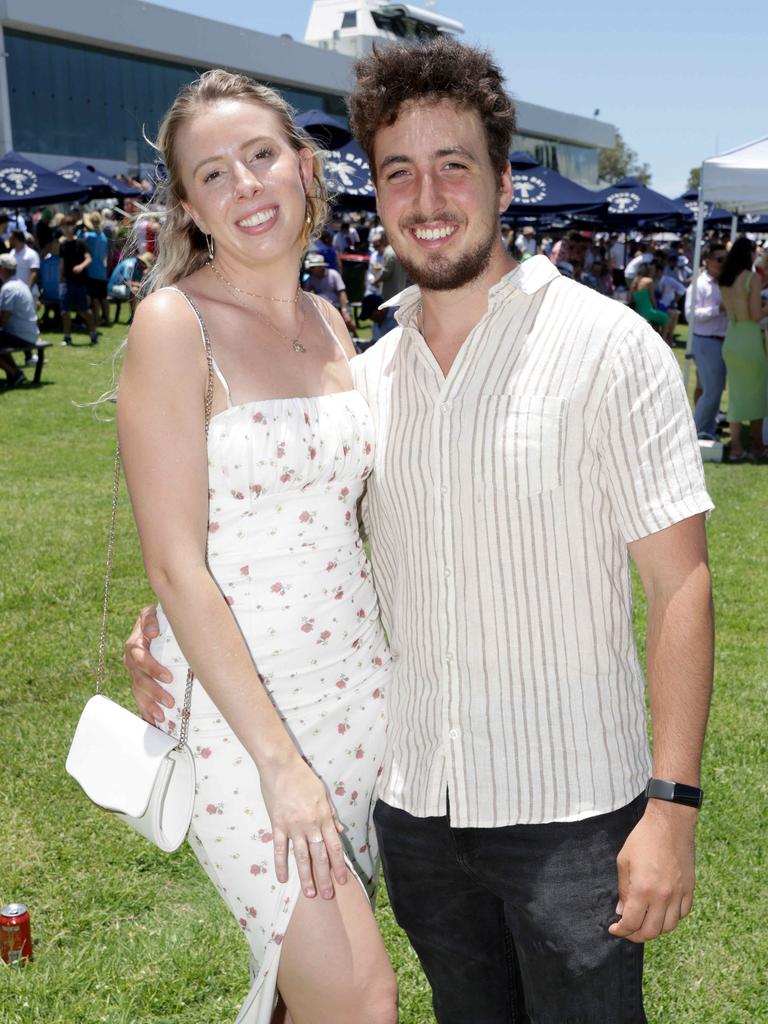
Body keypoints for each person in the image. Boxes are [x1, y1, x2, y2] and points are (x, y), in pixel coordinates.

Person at [126, 39, 714, 1024]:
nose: (428, 195)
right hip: (386, 787)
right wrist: (169, 612)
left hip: (537, 791)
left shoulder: (592, 345)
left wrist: (673, 804)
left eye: (455, 166)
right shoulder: (354, 361)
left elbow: (682, 584)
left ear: (503, 181)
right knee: (364, 997)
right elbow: (227, 528)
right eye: (401, 170)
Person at [116, 69, 395, 1024]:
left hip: (362, 699)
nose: (246, 186)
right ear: (189, 204)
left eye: (261, 156)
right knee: (360, 999)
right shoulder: (172, 324)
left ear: (304, 167)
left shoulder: (329, 318)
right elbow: (175, 563)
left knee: (300, 993)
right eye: (214, 174)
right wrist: (281, 766)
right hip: (248, 729)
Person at [718, 235, 768, 460]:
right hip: (748, 338)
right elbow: (756, 315)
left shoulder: (725, 278)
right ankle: (757, 446)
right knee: (757, 393)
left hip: (732, 337)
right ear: (747, 254)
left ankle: (736, 447)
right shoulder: (751, 278)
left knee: (736, 395)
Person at [685, 242, 728, 439]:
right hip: (705, 341)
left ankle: (706, 429)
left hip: (720, 340)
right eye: (720, 259)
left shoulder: (725, 282)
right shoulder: (699, 285)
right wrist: (717, 309)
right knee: (712, 390)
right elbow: (690, 314)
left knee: (714, 389)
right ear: (708, 261)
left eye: (725, 259)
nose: (723, 263)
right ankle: (697, 431)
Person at [0, 252, 40, 385]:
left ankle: (14, 373)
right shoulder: (21, 284)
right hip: (31, 333)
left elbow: (4, 317)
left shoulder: (8, 288)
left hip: (21, 335)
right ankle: (15, 373)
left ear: (3, 269)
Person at [58, 215, 99, 346]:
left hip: (80, 282)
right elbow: (62, 263)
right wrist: (60, 280)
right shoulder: (63, 244)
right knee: (65, 311)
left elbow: (88, 259)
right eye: (63, 227)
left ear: (73, 227)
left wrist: (81, 266)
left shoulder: (80, 243)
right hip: (66, 281)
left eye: (67, 226)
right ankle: (67, 337)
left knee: (83, 310)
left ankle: (93, 333)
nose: (65, 229)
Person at [301, 251, 354, 332]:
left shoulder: (334, 274)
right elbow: (305, 293)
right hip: (322, 308)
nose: (311, 270)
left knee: (348, 321)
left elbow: (342, 293)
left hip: (337, 305)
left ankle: (356, 339)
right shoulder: (311, 279)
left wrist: (344, 310)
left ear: (320, 266)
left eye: (313, 267)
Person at [107, 251, 155, 321]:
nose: (146, 267)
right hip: (114, 287)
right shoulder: (130, 264)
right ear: (143, 262)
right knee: (134, 290)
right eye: (146, 265)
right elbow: (126, 281)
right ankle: (133, 317)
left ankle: (145, 315)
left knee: (144, 290)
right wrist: (141, 285)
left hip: (123, 288)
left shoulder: (138, 265)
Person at [82, 211, 111, 326]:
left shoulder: (89, 236)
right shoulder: (104, 237)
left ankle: (97, 320)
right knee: (103, 298)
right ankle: (107, 319)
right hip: (101, 270)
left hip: (91, 270)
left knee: (94, 298)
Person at [630, 259, 670, 333]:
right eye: (653, 270)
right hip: (648, 312)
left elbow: (631, 300)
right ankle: (665, 340)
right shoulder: (649, 281)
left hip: (638, 312)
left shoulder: (635, 281)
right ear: (648, 271)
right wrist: (656, 308)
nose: (654, 272)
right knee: (666, 318)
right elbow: (653, 299)